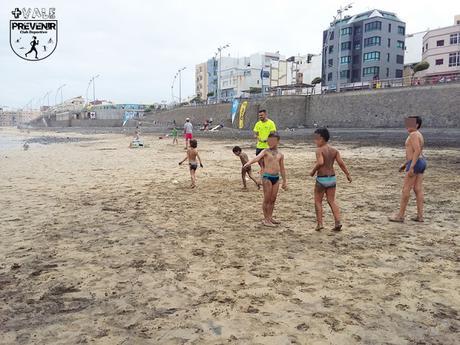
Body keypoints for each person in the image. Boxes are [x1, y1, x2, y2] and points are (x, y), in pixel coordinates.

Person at [309, 128, 352, 232]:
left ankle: (320, 223)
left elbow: (320, 162)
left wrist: (313, 171)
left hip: (322, 179)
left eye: (316, 139)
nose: (315, 141)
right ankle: (338, 221)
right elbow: (341, 163)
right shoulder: (334, 150)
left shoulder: (319, 150)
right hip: (332, 178)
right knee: (331, 201)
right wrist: (347, 174)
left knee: (318, 201)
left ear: (322, 139)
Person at [244, 133, 287, 227]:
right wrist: (248, 163)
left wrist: (284, 181)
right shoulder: (265, 151)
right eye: (269, 140)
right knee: (267, 199)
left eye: (273, 140)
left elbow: (282, 168)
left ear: (278, 141)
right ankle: (266, 219)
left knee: (273, 199)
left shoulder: (280, 154)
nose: (270, 142)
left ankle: (270, 217)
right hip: (267, 177)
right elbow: (256, 158)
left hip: (276, 178)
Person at [389, 116, 426, 223]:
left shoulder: (413, 134)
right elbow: (416, 151)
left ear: (416, 125)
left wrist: (412, 166)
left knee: (406, 189)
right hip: (421, 162)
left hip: (416, 163)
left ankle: (400, 216)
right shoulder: (419, 134)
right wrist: (405, 164)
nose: (407, 125)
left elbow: (417, 150)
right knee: (418, 189)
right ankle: (420, 216)